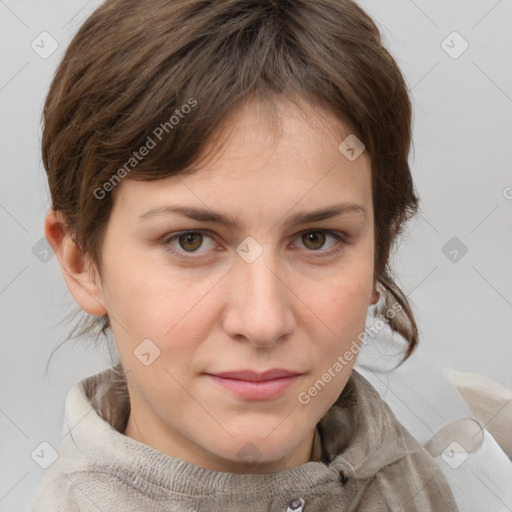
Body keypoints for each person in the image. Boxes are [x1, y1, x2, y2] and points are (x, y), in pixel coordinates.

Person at [31, 0, 460, 510]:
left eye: (317, 238)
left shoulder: (465, 446)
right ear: (83, 263)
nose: (263, 322)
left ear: (379, 253)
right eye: (190, 240)